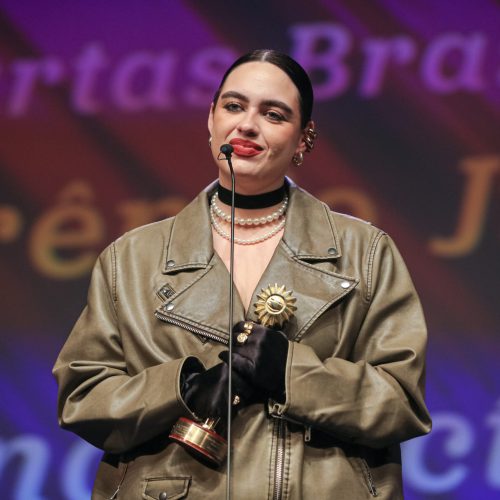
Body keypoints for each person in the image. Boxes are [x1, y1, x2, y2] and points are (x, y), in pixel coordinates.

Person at [53, 49, 431, 499]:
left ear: (304, 138)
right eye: (234, 106)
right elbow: (83, 395)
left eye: (273, 114)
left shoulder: (365, 253)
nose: (248, 124)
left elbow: (401, 401)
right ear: (210, 119)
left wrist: (290, 372)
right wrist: (183, 386)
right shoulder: (130, 260)